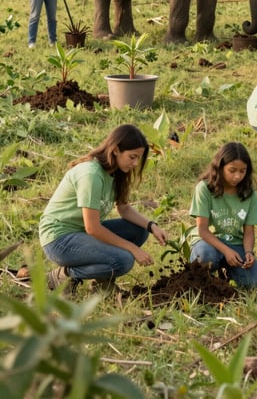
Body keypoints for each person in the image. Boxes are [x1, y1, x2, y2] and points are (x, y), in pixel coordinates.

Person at [39, 124, 168, 292]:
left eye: (138, 158)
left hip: (81, 233)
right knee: (124, 260)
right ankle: (64, 275)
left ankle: (102, 283)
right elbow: (92, 228)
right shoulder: (91, 174)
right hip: (59, 240)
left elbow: (124, 209)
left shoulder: (115, 172)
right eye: (132, 157)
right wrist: (132, 248)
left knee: (139, 230)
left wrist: (152, 226)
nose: (136, 163)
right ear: (115, 150)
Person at [188, 142, 257, 289]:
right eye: (232, 170)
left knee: (256, 285)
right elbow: (202, 230)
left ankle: (227, 274)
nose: (237, 176)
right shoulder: (204, 189)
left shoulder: (249, 194)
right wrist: (226, 250)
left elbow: (249, 232)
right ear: (220, 167)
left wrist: (248, 252)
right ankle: (204, 282)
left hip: (235, 244)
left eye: (242, 171)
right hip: (208, 241)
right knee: (206, 258)